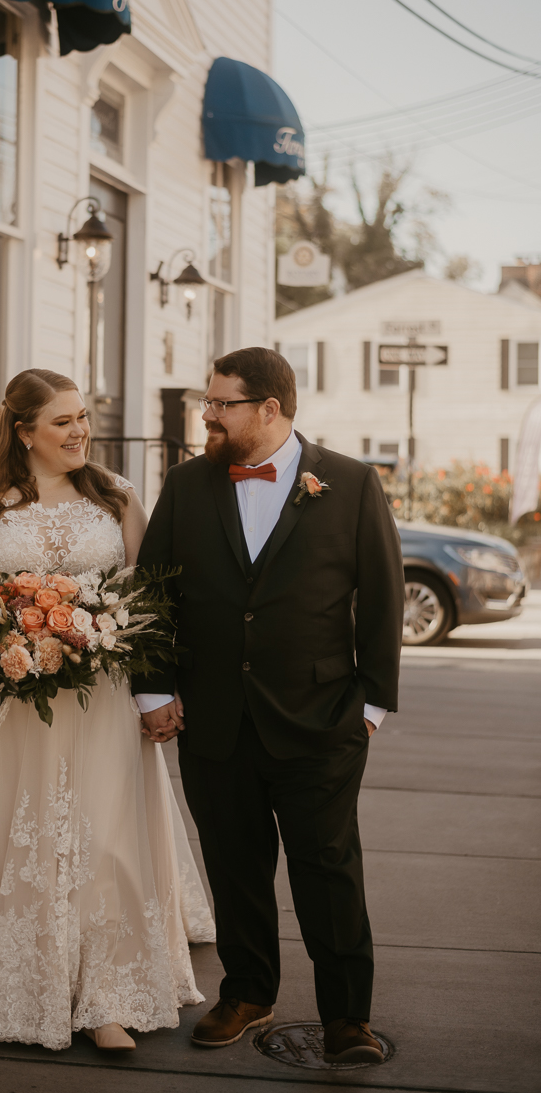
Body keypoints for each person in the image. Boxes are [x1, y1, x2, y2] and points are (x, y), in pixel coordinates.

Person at [0, 369, 214, 1053]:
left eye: (82, 416)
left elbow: (150, 598)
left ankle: (107, 993)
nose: (79, 430)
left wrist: (135, 669)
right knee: (27, 833)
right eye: (62, 421)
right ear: (23, 431)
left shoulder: (116, 498)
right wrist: (8, 641)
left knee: (104, 831)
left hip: (103, 699)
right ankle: (26, 968)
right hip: (14, 705)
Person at [133, 347, 403, 1065]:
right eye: (208, 401)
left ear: (270, 409)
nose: (208, 414)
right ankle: (248, 992)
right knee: (234, 866)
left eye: (221, 404)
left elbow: (382, 596)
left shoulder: (348, 482)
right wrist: (154, 689)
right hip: (214, 722)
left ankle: (348, 1016)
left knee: (328, 868)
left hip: (321, 722)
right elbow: (151, 593)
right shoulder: (188, 484)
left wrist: (371, 706)